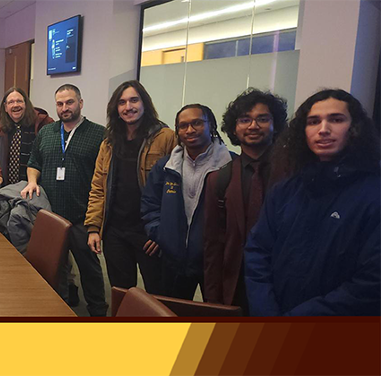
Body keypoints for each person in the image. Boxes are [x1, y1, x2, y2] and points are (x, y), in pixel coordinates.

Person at [245, 89, 381, 316]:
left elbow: (372, 280)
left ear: (355, 128)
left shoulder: (373, 193)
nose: (324, 130)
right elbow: (257, 251)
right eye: (314, 121)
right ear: (303, 131)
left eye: (336, 120)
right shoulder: (285, 190)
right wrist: (266, 311)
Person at [85, 80, 176, 295]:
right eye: (122, 102)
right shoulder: (109, 141)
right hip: (115, 231)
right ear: (116, 108)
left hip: (148, 234)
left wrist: (162, 232)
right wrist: (93, 227)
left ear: (145, 103)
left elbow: (176, 191)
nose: (128, 107)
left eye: (134, 100)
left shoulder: (166, 137)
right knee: (120, 293)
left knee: (158, 295)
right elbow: (98, 186)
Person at [24, 84, 108, 316]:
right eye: (60, 104)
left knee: (89, 269)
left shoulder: (99, 134)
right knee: (53, 266)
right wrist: (32, 181)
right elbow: (34, 162)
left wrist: (96, 222)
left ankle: (98, 312)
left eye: (69, 102)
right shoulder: (47, 132)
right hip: (51, 214)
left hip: (82, 215)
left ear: (80, 103)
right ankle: (55, 309)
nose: (64, 108)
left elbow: (104, 178)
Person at [202, 89, 287, 310]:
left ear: (275, 125)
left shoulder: (295, 175)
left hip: (285, 282)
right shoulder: (218, 180)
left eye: (262, 119)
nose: (253, 126)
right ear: (234, 129)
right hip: (237, 283)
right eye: (244, 120)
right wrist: (212, 300)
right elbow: (213, 245)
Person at [141, 104, 233, 300]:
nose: (190, 130)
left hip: (214, 260)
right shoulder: (165, 167)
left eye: (197, 123)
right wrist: (160, 233)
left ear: (211, 126)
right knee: (172, 314)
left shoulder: (231, 166)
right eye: (183, 126)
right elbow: (150, 203)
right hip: (174, 258)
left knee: (217, 316)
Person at [0, 87, 38, 190]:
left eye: (19, 101)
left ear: (26, 104)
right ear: (6, 108)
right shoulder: (2, 128)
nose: (15, 105)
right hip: (9, 188)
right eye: (11, 102)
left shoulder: (42, 123)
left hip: (34, 188)